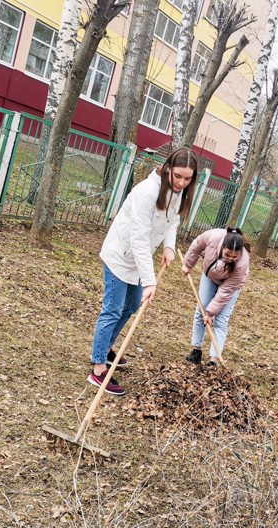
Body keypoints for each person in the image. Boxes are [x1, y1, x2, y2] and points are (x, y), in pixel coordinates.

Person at [88, 147, 199, 395]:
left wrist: (169, 247)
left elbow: (173, 221)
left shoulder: (178, 194)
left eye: (187, 178)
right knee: (113, 309)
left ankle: (105, 349)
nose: (181, 182)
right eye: (178, 176)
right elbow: (138, 238)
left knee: (131, 306)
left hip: (138, 260)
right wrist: (150, 281)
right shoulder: (147, 192)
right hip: (120, 256)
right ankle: (97, 369)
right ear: (168, 168)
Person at [183, 227, 250, 367]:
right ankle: (196, 351)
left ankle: (213, 360)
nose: (230, 259)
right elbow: (196, 246)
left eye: (234, 257)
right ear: (222, 247)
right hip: (210, 276)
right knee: (200, 312)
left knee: (221, 321)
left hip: (230, 286)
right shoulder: (212, 237)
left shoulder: (242, 262)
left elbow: (226, 291)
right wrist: (188, 264)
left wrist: (211, 313)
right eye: (227, 254)